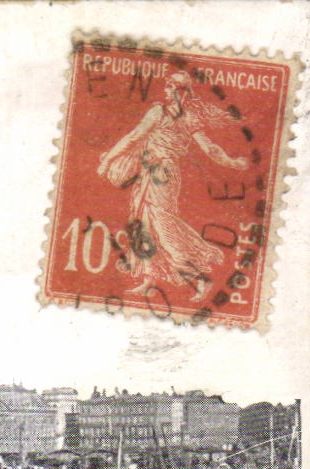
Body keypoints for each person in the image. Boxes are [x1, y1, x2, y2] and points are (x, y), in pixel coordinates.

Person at [95, 71, 250, 299]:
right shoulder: (179, 116)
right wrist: (233, 163)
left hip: (161, 174)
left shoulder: (166, 114)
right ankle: (149, 279)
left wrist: (107, 160)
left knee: (163, 226)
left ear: (180, 92)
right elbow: (209, 149)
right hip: (153, 172)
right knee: (143, 223)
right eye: (166, 86)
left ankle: (199, 277)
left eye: (170, 87)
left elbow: (133, 138)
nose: (166, 91)